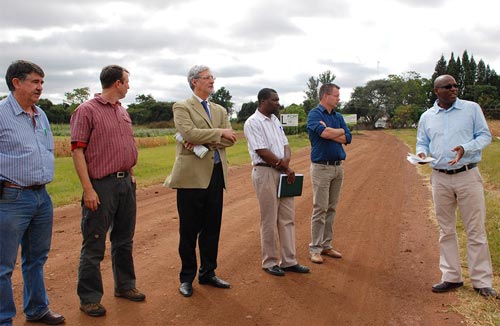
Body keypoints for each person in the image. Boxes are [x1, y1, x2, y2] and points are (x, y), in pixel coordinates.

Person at [70, 65, 145, 317]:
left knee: (124, 239)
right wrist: (88, 189)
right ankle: (90, 298)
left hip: (125, 183)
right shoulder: (86, 111)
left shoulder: (123, 112)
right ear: (116, 83)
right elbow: (77, 151)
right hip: (101, 185)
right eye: (126, 82)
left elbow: (126, 146)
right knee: (94, 243)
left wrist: (131, 175)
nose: (128, 86)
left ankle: (125, 286)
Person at [416, 74, 497, 298]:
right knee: (446, 230)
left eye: (455, 85)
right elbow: (422, 140)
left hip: (467, 175)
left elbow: (484, 136)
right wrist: (421, 153)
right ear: (436, 91)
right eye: (447, 86)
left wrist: (465, 148)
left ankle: (482, 281)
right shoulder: (427, 116)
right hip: (440, 177)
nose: (454, 89)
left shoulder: (471, 109)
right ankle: (451, 277)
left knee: (475, 229)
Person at [0, 60, 65, 325]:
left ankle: (37, 309)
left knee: (36, 258)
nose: (40, 87)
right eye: (35, 82)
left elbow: (46, 150)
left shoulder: (41, 114)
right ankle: (4, 319)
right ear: (16, 82)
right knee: (3, 267)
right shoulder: (1, 113)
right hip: (11, 198)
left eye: (42, 82)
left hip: (41, 197)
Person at [164, 65, 237, 297]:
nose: (212, 81)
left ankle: (208, 273)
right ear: (194, 82)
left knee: (212, 229)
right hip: (191, 179)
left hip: (216, 174)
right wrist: (219, 134)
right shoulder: (182, 106)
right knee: (188, 231)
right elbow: (189, 134)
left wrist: (214, 137)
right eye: (207, 78)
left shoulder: (219, 109)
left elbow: (231, 139)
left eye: (212, 77)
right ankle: (186, 278)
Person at [243, 88, 310, 277]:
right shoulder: (253, 122)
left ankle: (289, 261)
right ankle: (270, 261)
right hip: (265, 172)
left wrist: (286, 163)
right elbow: (262, 151)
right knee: (269, 219)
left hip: (282, 172)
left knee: (287, 218)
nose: (278, 103)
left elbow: (285, 145)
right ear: (263, 101)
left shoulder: (275, 121)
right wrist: (284, 166)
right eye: (275, 100)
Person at [306, 83, 352, 264]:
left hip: (337, 167)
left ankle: (326, 245)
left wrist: (336, 132)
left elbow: (348, 137)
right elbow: (323, 133)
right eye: (336, 95)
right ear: (325, 96)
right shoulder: (314, 114)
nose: (338, 98)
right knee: (320, 208)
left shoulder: (338, 116)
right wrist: (335, 132)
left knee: (331, 208)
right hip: (321, 168)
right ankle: (315, 248)